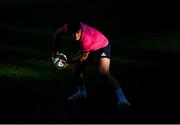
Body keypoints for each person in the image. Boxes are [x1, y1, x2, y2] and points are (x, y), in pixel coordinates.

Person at [52, 20, 130, 107]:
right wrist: (55, 51)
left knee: (104, 73)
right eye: (72, 34)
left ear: (80, 29)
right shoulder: (67, 27)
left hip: (102, 46)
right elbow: (56, 34)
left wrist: (68, 63)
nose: (75, 36)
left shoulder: (86, 38)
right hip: (89, 48)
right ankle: (82, 93)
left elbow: (84, 57)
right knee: (76, 72)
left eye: (77, 33)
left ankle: (123, 100)